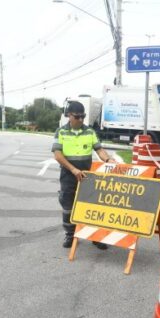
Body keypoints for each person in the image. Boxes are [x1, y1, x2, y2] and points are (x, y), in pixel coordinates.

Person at [52, 101, 117, 249]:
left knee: (91, 208)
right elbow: (58, 155)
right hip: (69, 176)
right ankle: (70, 234)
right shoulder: (61, 132)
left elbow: (99, 149)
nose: (81, 119)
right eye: (77, 116)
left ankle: (95, 236)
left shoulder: (90, 132)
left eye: (83, 116)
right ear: (69, 115)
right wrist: (73, 169)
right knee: (68, 207)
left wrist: (108, 159)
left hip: (87, 177)